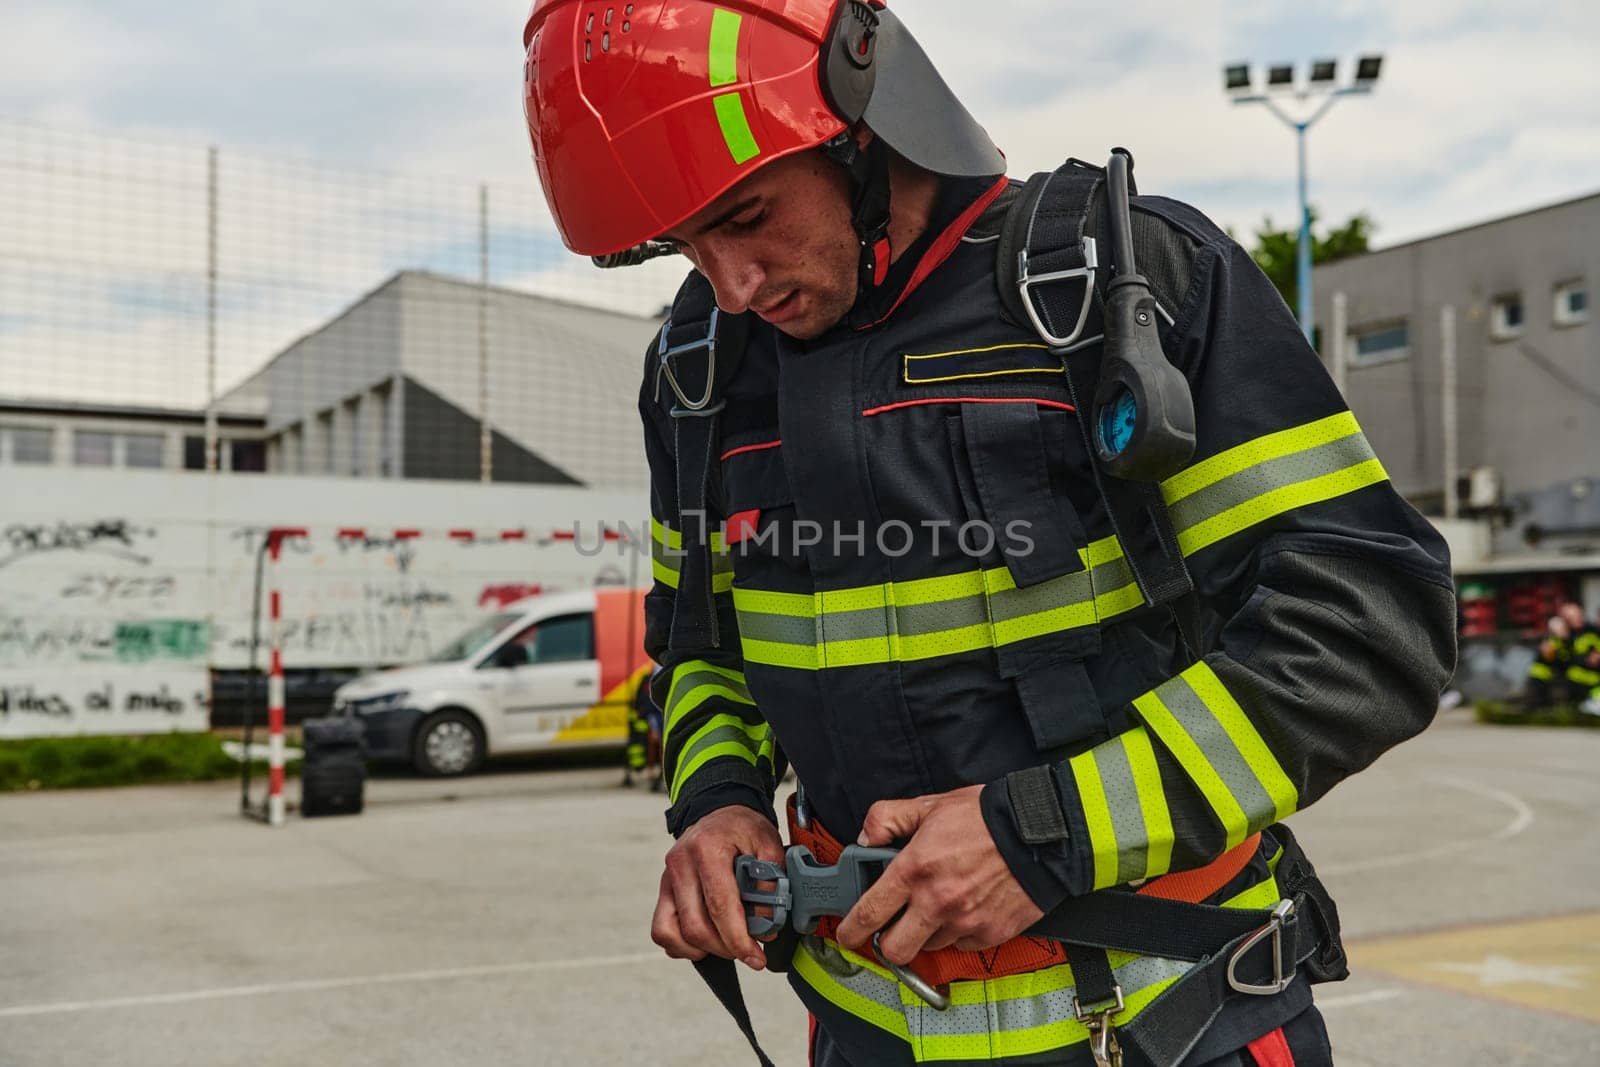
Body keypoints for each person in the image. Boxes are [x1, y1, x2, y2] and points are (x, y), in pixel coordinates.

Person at [522, 3, 1458, 1064]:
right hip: (864, 1032)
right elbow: (701, 654)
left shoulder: (1120, 284)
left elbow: (1369, 625)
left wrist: (1047, 828)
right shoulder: (699, 373)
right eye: (681, 244)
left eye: (743, 216)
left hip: (1171, 1026)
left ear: (863, 126)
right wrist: (719, 799)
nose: (729, 284)